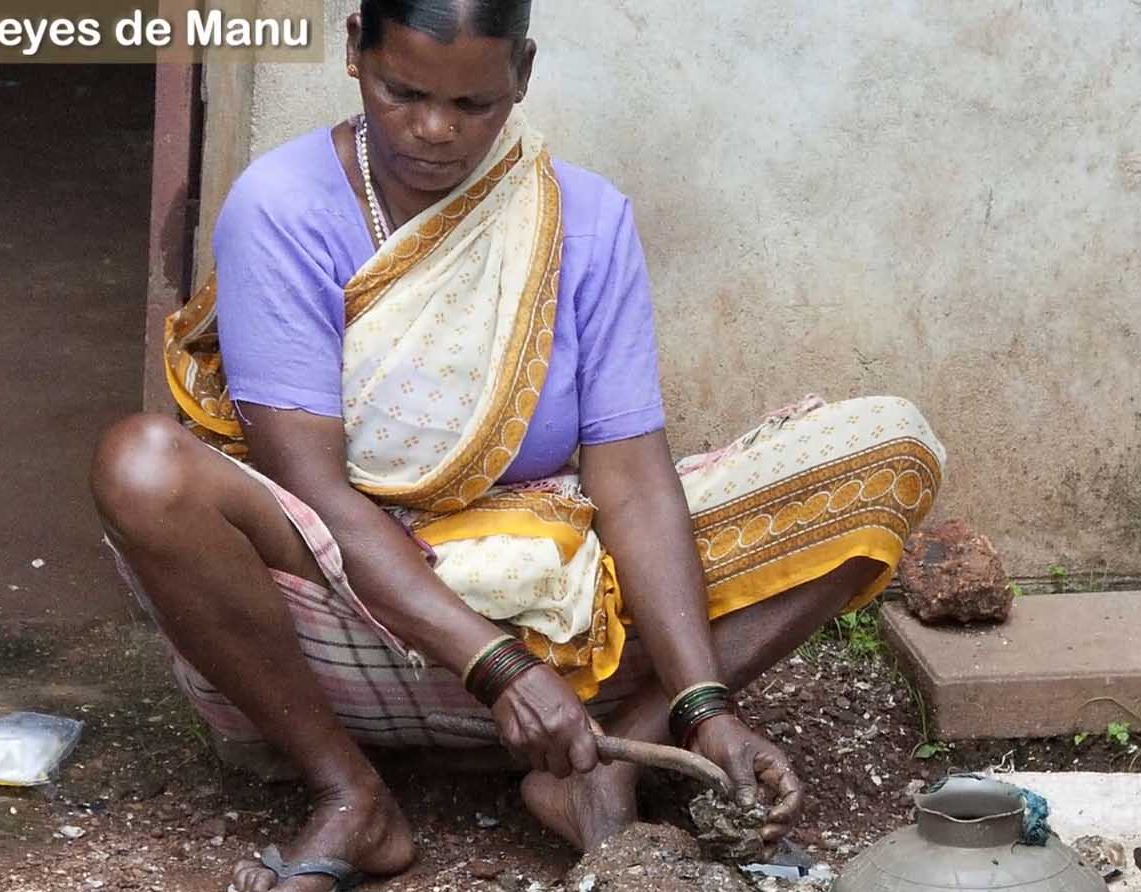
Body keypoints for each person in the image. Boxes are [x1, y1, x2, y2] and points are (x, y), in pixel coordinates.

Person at [90, 1, 944, 889]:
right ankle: (353, 795)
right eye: (402, 92)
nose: (433, 131)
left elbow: (633, 479)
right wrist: (494, 665)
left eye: (474, 106)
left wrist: (704, 705)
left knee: (887, 452)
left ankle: (612, 762)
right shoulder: (281, 206)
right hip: (350, 604)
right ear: (353, 51)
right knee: (142, 467)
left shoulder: (582, 216)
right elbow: (314, 489)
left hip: (557, 605)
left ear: (522, 75)